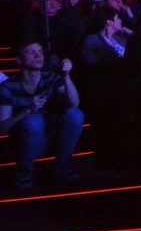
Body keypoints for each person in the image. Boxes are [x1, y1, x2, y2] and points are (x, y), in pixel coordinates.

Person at [0, 39, 84, 191]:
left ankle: (62, 168)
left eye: (40, 52)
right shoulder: (8, 86)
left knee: (75, 114)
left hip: (51, 136)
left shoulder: (50, 78)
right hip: (24, 141)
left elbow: (75, 102)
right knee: (34, 119)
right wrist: (27, 110)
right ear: (19, 59)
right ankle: (24, 174)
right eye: (31, 52)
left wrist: (66, 76)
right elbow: (2, 128)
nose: (37, 56)